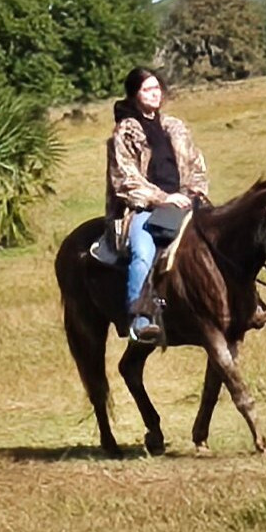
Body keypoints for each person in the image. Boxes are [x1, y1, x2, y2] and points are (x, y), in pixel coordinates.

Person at [106, 67, 208, 343]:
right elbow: (125, 179)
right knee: (142, 252)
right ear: (134, 95)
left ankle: (247, 303)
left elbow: (196, 164)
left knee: (224, 238)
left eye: (157, 88)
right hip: (144, 208)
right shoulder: (125, 132)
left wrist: (193, 192)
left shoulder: (175, 127)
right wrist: (164, 198)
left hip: (185, 202)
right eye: (147, 89)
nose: (155, 94)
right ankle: (141, 316)